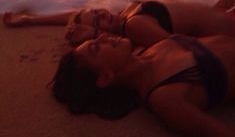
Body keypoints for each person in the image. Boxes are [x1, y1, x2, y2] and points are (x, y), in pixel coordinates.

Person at [50, 33, 235, 137]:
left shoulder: (147, 49)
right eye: (96, 47)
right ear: (105, 77)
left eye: (96, 38)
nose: (104, 37)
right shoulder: (164, 97)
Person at [3, 0, 235, 47]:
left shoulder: (126, 13)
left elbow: (74, 14)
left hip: (221, 12)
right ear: (100, 34)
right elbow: (182, 46)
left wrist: (30, 20)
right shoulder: (133, 26)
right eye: (98, 21)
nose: (102, 13)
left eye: (97, 11)